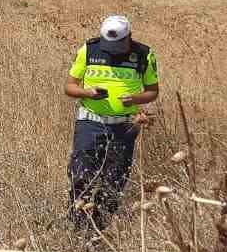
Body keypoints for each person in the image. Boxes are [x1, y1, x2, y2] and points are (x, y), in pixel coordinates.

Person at [64, 14, 159, 233]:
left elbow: (153, 91)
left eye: (117, 45)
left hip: (124, 127)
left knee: (113, 182)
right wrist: (88, 92)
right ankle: (77, 226)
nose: (112, 50)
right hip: (90, 124)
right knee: (81, 175)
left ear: (129, 37)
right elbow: (69, 87)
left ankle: (98, 230)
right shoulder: (89, 50)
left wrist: (134, 99)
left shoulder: (144, 55)